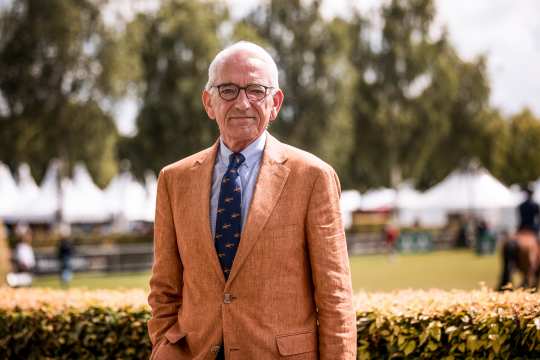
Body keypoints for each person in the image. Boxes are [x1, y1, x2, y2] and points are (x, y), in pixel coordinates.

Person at [147, 41, 356, 359]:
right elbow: (164, 288)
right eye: (228, 90)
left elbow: (335, 296)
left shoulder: (313, 177)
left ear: (275, 102)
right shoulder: (174, 181)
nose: (243, 102)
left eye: (256, 90)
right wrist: (165, 346)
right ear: (208, 102)